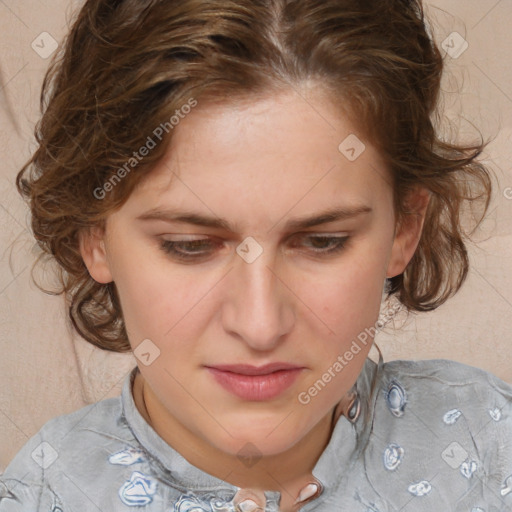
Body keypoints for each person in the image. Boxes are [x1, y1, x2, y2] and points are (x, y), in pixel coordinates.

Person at [1, 0, 510, 510]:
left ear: (404, 229)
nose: (260, 326)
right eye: (190, 246)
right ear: (94, 236)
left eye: (323, 241)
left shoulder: (489, 444)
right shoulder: (40, 496)